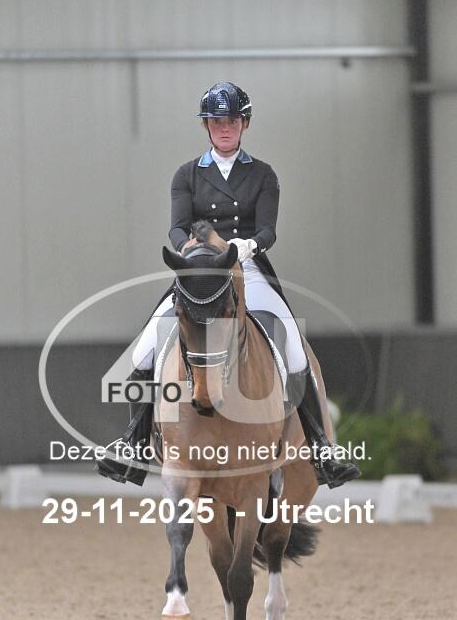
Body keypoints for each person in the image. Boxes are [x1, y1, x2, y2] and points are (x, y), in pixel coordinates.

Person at [99, 81, 360, 488]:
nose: (225, 128)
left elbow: (269, 230)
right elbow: (177, 227)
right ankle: (134, 443)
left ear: (245, 124)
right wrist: (190, 249)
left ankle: (320, 447)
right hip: (200, 272)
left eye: (232, 121)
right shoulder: (187, 174)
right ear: (206, 125)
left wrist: (245, 247)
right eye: (217, 121)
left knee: (295, 351)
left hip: (247, 269)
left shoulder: (263, 174)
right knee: (143, 351)